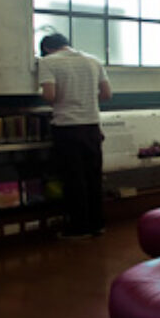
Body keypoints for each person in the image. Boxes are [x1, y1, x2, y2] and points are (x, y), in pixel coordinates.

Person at [37, 33, 112, 239]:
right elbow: (106, 94)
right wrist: (85, 99)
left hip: (67, 127)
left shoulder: (47, 62)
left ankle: (79, 228)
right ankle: (97, 224)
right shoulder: (93, 60)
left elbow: (50, 95)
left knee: (73, 179)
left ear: (47, 49)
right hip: (92, 126)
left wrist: (62, 99)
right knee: (93, 177)